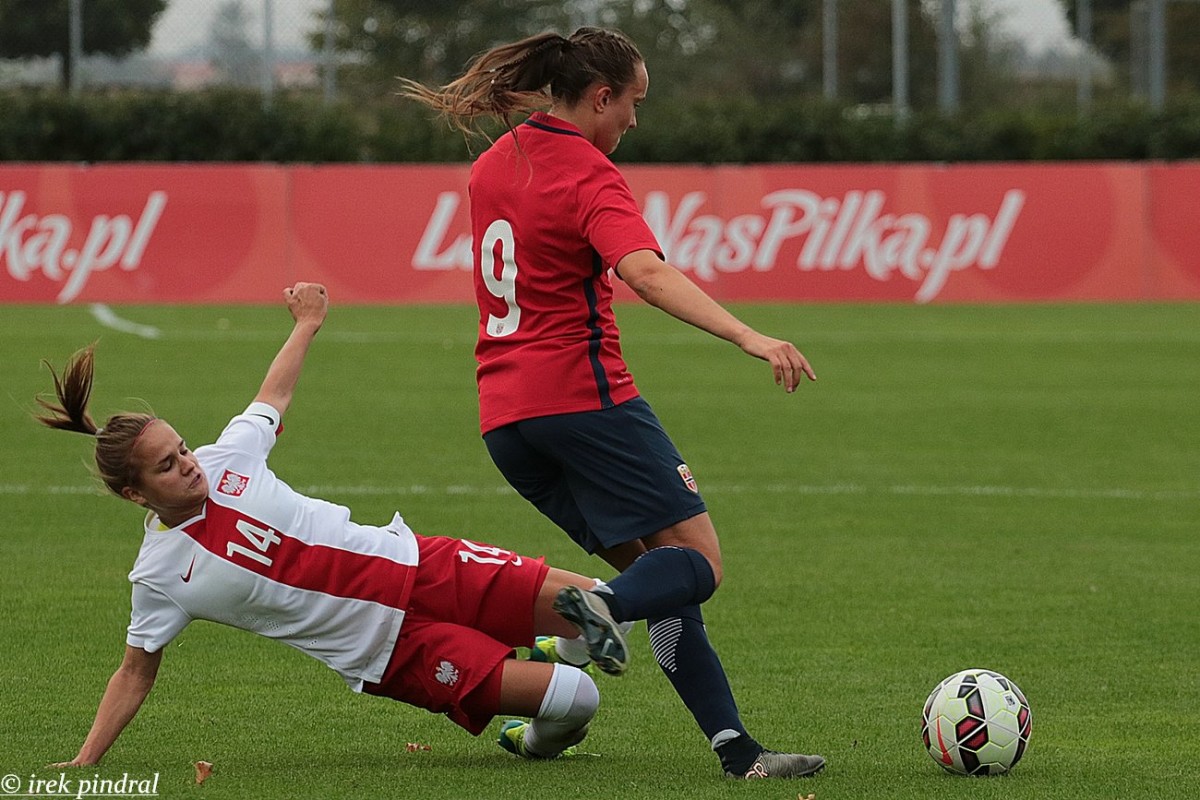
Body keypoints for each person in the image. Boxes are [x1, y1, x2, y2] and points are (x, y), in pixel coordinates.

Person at [401, 29, 823, 779]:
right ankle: (595, 608)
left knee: (662, 580)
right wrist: (747, 336)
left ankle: (737, 751)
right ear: (601, 97)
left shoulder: (496, 162)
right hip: (585, 403)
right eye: (633, 102)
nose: (635, 119)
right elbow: (645, 271)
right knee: (697, 563)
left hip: (507, 421)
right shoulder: (588, 174)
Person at [36, 282, 629, 768]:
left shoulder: (228, 459)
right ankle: (532, 739)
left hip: (420, 564)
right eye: (167, 466)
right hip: (390, 649)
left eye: (183, 448)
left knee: (598, 604)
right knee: (577, 702)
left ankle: (564, 643)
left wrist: (306, 323)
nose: (189, 464)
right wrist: (85, 761)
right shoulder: (159, 577)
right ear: (134, 493)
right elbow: (134, 673)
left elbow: (272, 396)